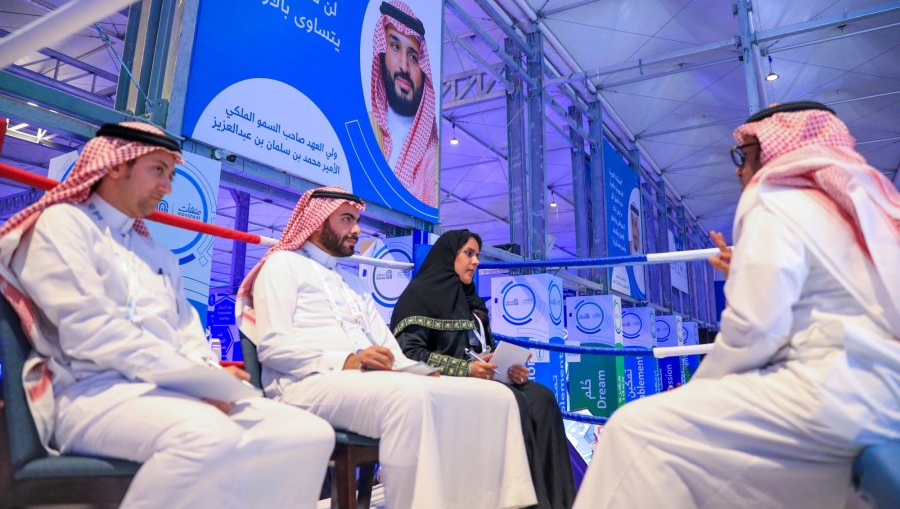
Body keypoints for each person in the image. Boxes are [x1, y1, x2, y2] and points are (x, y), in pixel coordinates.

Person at [573, 102, 900, 509]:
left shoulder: (774, 195)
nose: (738, 170)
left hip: (834, 392)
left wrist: (702, 387)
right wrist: (743, 274)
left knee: (634, 430)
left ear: (769, 149)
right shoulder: (868, 204)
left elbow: (754, 328)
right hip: (882, 394)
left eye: (743, 155)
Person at [0, 122, 335, 509]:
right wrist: (195, 383)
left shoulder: (158, 255)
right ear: (115, 165)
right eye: (158, 170)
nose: (167, 187)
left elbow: (188, 333)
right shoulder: (62, 224)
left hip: (172, 392)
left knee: (307, 432)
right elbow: (91, 334)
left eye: (170, 175)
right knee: (207, 435)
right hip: (90, 392)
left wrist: (209, 378)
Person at [236, 186, 537, 509]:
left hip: (365, 383)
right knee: (412, 398)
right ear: (317, 222)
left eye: (357, 220)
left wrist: (425, 372)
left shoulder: (353, 282)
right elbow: (273, 347)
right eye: (347, 219)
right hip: (302, 384)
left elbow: (391, 350)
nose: (356, 229)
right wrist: (346, 361)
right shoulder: (282, 265)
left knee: (495, 396)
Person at [391, 230, 577, 509]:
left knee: (543, 399)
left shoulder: (471, 300)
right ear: (449, 256)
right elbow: (409, 354)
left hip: (483, 383)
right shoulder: (418, 296)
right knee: (514, 402)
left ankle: (558, 503)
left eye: (477, 255)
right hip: (445, 387)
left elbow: (483, 349)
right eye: (469, 253)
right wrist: (466, 369)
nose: (476, 261)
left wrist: (508, 368)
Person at [368, 0, 438, 206]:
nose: (404, 66)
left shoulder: (435, 159)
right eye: (395, 46)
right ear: (382, 53)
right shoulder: (364, 128)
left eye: (413, 57)